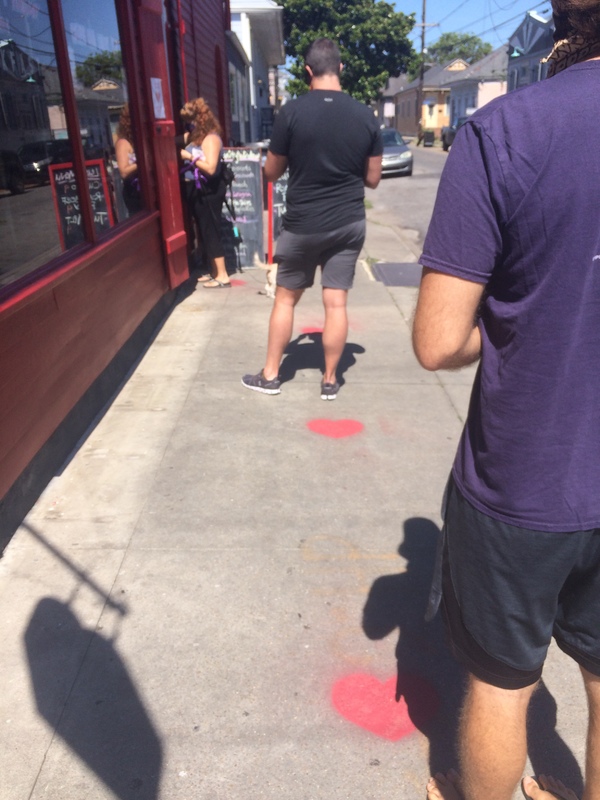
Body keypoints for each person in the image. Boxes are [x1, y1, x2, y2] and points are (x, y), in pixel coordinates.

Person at [412, 2, 600, 799]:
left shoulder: (507, 131)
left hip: (528, 475)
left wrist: (523, 321)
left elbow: (438, 340)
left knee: (501, 682)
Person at [241, 37, 382, 400]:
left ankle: (271, 375)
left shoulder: (291, 113)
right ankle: (330, 380)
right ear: (341, 69)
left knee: (286, 300)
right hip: (348, 222)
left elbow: (272, 173)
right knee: (336, 303)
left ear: (307, 71)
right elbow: (373, 179)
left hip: (303, 223)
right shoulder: (365, 115)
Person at [179, 98, 230, 288]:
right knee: (203, 230)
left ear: (199, 120)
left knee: (210, 230)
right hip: (196, 189)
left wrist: (189, 156)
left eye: (190, 122)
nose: (188, 126)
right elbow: (173, 140)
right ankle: (214, 271)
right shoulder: (196, 137)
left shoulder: (211, 139)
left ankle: (223, 275)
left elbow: (210, 168)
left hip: (209, 190)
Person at [115, 105, 142, 216]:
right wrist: (141, 163)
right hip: (133, 191)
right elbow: (124, 172)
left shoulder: (138, 141)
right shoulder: (123, 143)